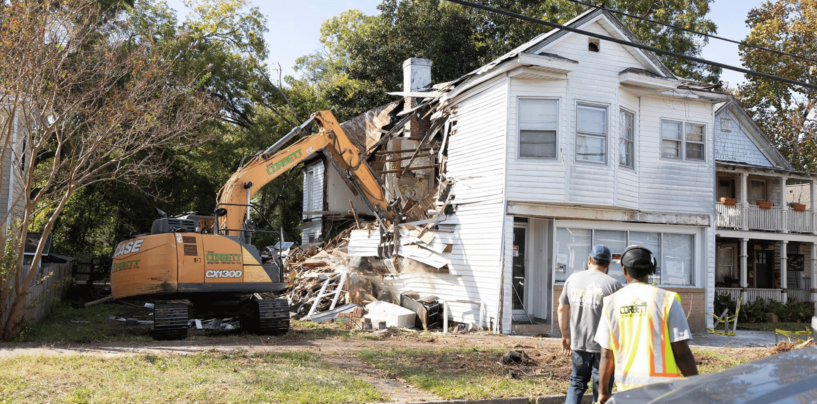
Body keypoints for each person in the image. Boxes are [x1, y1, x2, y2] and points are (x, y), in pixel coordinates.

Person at [595, 245, 699, 404]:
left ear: (624, 270)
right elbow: (682, 353)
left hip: (627, 389)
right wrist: (696, 387)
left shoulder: (611, 303)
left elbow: (605, 355)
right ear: (652, 269)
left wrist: (602, 392)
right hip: (664, 390)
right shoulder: (667, 300)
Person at [557, 245, 622, 404]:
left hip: (579, 345)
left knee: (577, 382)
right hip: (604, 349)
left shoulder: (572, 279)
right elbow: (620, 319)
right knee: (602, 389)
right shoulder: (614, 285)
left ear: (589, 260)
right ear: (608, 264)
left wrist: (566, 336)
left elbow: (562, 309)